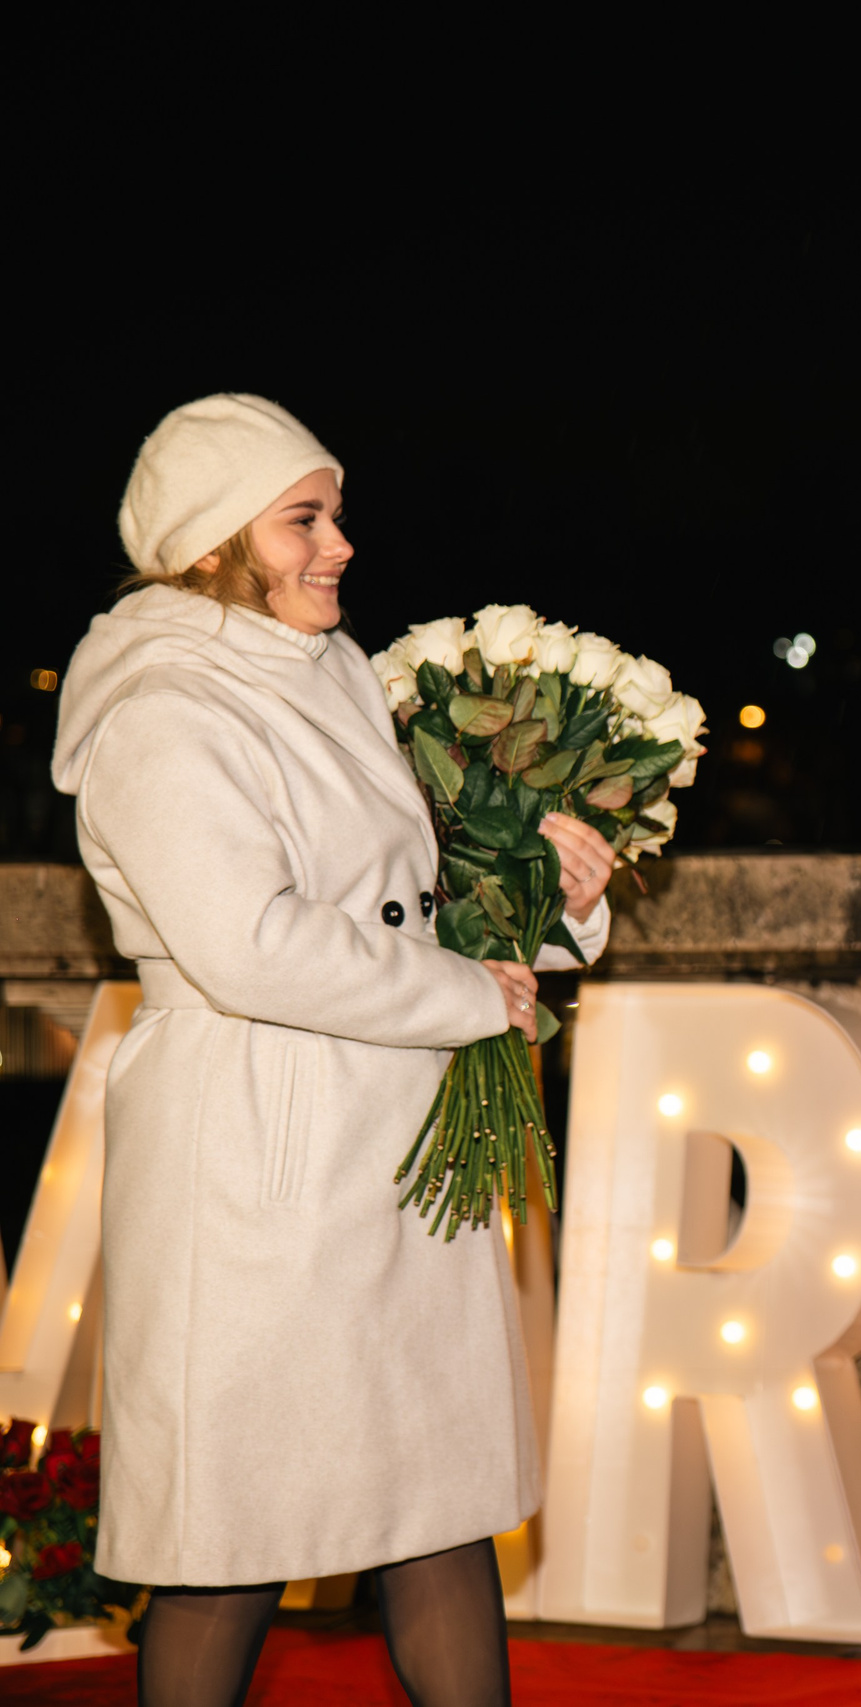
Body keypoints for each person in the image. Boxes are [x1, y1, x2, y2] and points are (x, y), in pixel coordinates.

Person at [49, 395, 620, 1707]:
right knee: (227, 1546)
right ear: (210, 540)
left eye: (338, 513)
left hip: (388, 1152)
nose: (341, 544)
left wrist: (558, 903)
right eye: (304, 518)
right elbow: (248, 942)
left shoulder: (335, 669)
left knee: (435, 1505)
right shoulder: (160, 707)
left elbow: (410, 907)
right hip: (254, 1164)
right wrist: (473, 995)